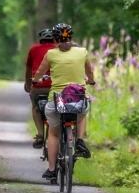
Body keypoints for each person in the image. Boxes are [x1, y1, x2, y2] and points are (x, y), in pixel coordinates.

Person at [32, 23, 95, 180]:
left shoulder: (51, 54)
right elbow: (90, 72)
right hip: (77, 97)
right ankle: (80, 140)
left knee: (53, 134)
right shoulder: (82, 52)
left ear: (55, 38)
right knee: (82, 112)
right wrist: (91, 80)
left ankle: (52, 169)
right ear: (71, 37)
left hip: (58, 99)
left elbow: (39, 73)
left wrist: (36, 80)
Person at [24, 28, 56, 148]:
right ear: (53, 38)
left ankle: (40, 134)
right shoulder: (57, 49)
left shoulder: (33, 49)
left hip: (38, 87)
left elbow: (28, 69)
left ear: (40, 39)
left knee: (36, 107)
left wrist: (28, 85)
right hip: (55, 86)